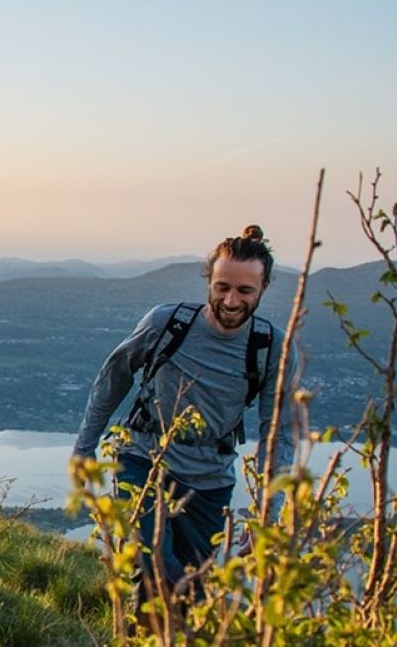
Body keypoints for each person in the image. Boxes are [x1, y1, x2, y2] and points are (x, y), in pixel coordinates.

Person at [72, 225, 297, 602]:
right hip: (142, 456)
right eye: (222, 287)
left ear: (264, 288)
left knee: (190, 590)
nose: (230, 301)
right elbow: (113, 378)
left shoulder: (270, 347)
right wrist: (84, 448)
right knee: (149, 566)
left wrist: (267, 515)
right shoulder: (167, 323)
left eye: (244, 290)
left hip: (209, 479)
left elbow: (279, 432)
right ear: (209, 279)